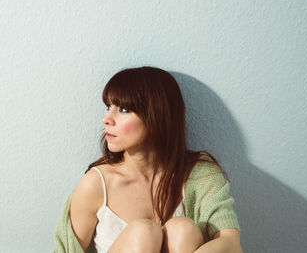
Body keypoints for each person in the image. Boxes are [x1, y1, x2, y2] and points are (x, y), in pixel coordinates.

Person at [53, 67, 242, 253]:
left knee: (182, 229)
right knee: (143, 233)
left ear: (157, 117)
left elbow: (231, 244)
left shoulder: (200, 174)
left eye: (124, 109)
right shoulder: (96, 184)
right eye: (108, 107)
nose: (107, 119)